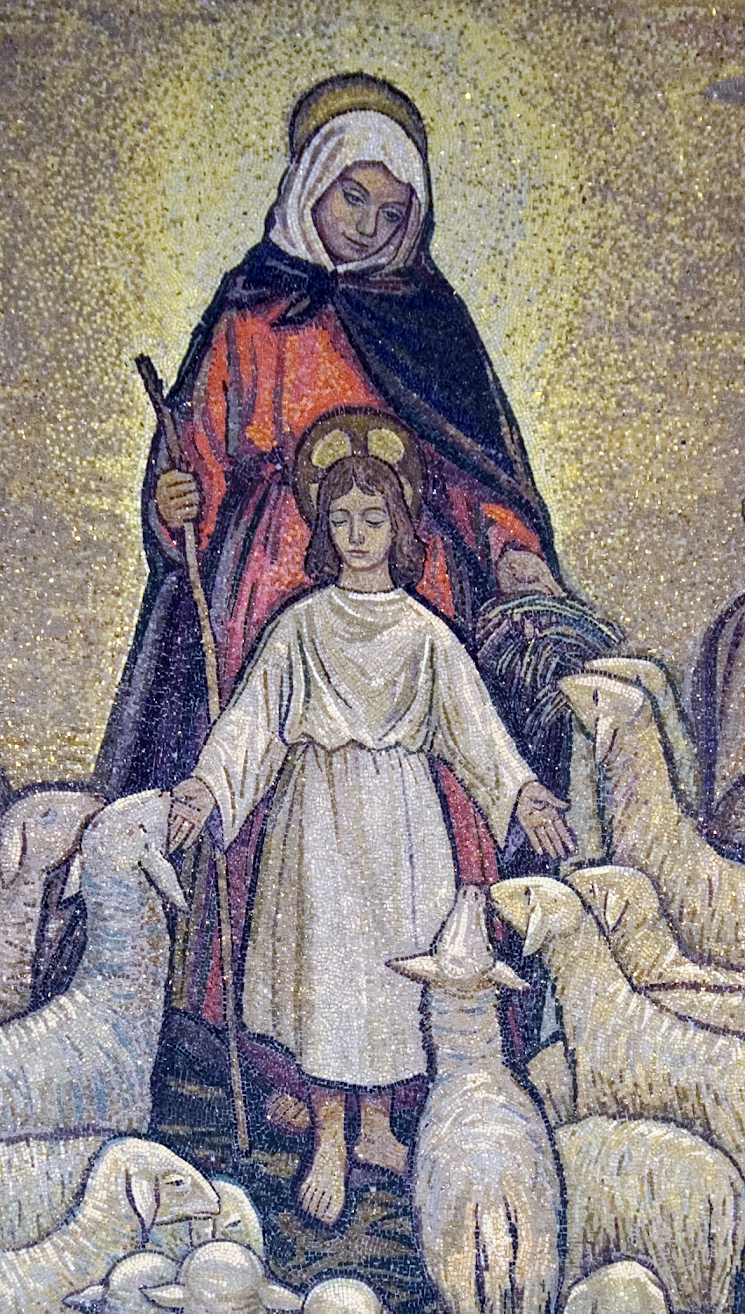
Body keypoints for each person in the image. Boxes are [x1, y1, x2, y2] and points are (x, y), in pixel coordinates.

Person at [95, 73, 569, 1123]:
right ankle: (278, 1066)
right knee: (274, 827)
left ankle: (422, 1064)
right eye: (352, 196)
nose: (366, 224)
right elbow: (198, 450)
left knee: (427, 831)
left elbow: (472, 474)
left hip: (410, 594)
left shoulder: (427, 324)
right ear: (309, 183)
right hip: (271, 596)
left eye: (390, 211)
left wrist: (512, 551)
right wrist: (174, 495)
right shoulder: (252, 308)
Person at [167, 412, 573, 1225]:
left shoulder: (425, 633)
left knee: (391, 970)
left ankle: (379, 1129)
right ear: (324, 528)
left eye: (373, 519)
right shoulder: (302, 625)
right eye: (343, 519)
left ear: (399, 527)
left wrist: (523, 793)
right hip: (318, 818)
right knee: (330, 966)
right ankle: (328, 1134)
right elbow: (253, 721)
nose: (357, 535)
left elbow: (475, 731)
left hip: (403, 823)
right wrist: (208, 788)